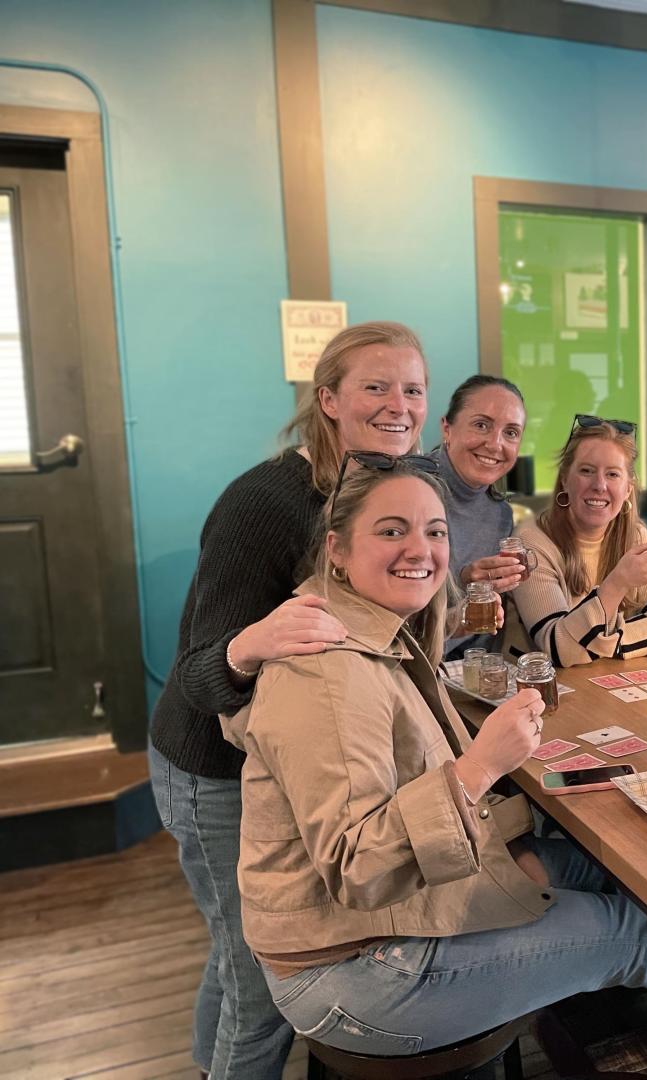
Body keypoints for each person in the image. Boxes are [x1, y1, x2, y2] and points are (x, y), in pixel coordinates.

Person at [220, 461, 647, 1056]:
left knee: (613, 872)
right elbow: (358, 866)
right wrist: (480, 766)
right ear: (336, 549)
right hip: (351, 970)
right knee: (632, 932)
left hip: (382, 918)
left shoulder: (367, 625)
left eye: (434, 531)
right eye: (391, 530)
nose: (420, 549)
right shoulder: (327, 670)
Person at [146, 321, 430, 1079]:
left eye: (413, 389)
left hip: (287, 764)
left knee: (238, 959)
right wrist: (254, 640)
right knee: (256, 973)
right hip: (212, 767)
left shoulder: (391, 482)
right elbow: (199, 675)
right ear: (328, 399)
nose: (399, 405)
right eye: (376, 386)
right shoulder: (264, 504)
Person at [503, 416, 647, 665]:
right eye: (587, 471)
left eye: (612, 474)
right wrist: (618, 582)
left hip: (602, 682)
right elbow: (558, 649)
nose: (599, 485)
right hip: (534, 692)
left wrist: (600, 640)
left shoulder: (637, 537)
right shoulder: (531, 544)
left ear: (628, 488)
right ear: (565, 479)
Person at [429, 374, 527, 656]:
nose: (495, 445)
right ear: (447, 429)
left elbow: (483, 631)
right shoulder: (408, 490)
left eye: (511, 432)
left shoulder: (500, 514)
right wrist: (461, 582)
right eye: (481, 425)